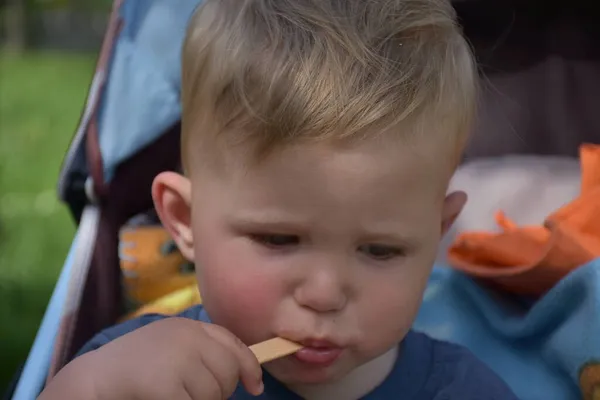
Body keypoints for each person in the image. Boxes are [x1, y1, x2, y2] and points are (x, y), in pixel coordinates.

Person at [38, 0, 519, 398]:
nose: (325, 294)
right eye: (279, 239)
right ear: (184, 219)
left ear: (437, 233)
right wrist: (91, 387)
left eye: (380, 250)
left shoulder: (463, 390)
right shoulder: (139, 376)